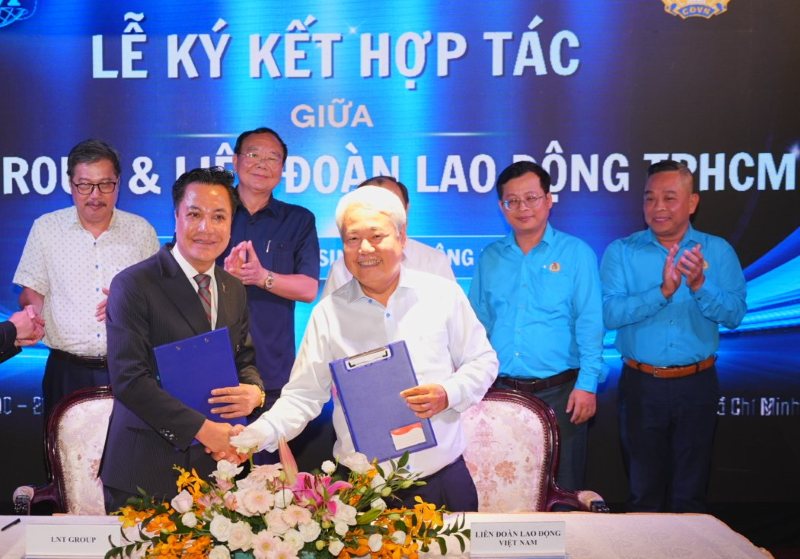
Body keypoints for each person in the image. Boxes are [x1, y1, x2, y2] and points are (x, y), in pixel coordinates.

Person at [231, 186, 498, 511]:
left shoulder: (442, 295)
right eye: (352, 239)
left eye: (376, 236)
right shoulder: (328, 313)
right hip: (362, 493)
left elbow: (482, 361)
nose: (364, 249)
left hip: (440, 481)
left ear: (401, 238)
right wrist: (256, 434)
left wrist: (448, 392)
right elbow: (303, 396)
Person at [100, 167, 265, 512]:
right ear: (175, 216)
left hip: (217, 467)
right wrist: (203, 429)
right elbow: (129, 380)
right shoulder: (134, 284)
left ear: (231, 223)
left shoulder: (232, 288)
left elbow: (243, 360)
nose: (206, 228)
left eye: (219, 216)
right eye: (194, 214)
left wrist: (254, 392)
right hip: (147, 471)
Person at [600, 160, 746, 513]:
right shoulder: (622, 251)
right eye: (650, 199)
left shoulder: (718, 251)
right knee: (642, 494)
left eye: (669, 198)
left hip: (697, 385)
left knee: (690, 496)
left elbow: (734, 315)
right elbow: (609, 314)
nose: (658, 208)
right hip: (641, 385)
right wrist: (661, 292)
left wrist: (699, 285)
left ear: (692, 202)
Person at [468, 160, 604, 492]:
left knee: (564, 489)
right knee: (506, 486)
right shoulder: (491, 257)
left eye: (531, 197)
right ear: (502, 207)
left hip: (562, 393)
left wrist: (588, 384)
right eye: (512, 201)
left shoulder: (576, 253)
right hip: (500, 392)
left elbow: (590, 322)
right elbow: (476, 325)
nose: (522, 208)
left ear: (549, 199)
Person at [13, 139, 160, 420]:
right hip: (67, 371)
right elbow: (31, 292)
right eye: (85, 185)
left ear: (118, 183)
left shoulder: (141, 231)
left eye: (105, 184)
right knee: (66, 461)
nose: (95, 195)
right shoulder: (46, 228)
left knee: (129, 460)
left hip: (129, 369)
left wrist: (130, 303)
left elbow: (160, 300)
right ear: (70, 184)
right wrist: (32, 314)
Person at [220, 127, 320, 411]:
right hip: (214, 359)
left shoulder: (299, 220)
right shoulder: (211, 212)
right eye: (253, 154)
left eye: (273, 158)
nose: (262, 164)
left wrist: (262, 277)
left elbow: (309, 288)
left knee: (270, 454)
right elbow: (180, 271)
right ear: (236, 160)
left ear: (282, 169)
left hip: (272, 366)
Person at [322, 176, 455, 296]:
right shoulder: (341, 269)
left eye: (391, 205)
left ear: (406, 209)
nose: (378, 212)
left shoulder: (434, 262)